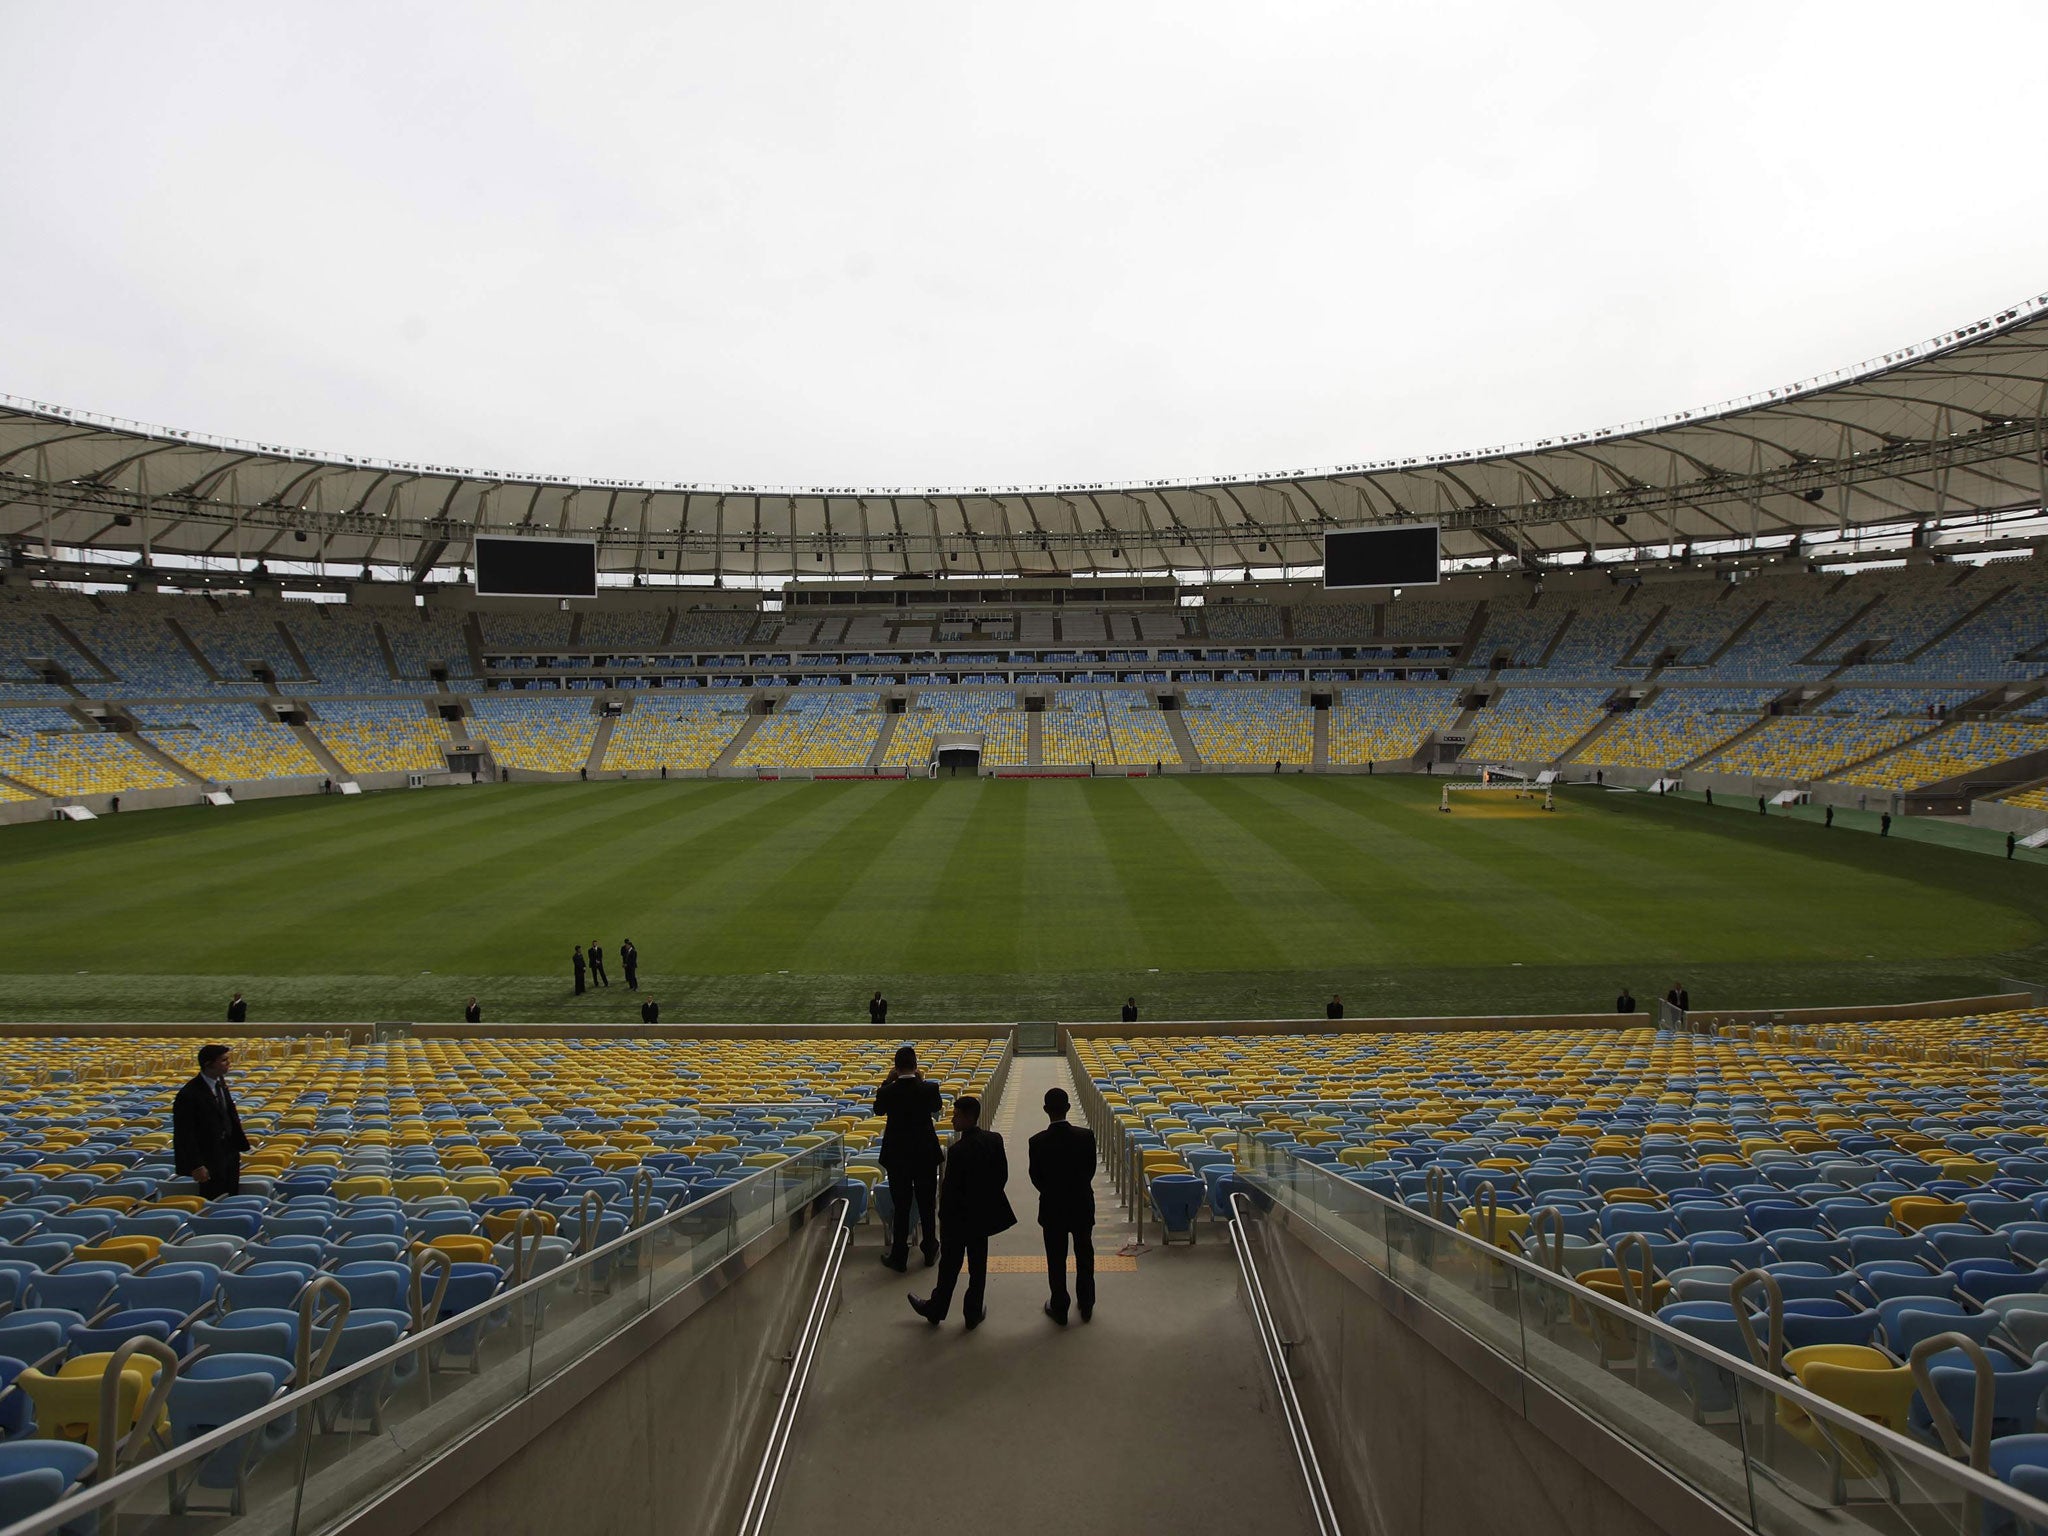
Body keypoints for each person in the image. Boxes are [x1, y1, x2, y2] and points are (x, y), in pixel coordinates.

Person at [909, 1095, 1015, 1330]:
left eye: (956, 1114)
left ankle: (937, 1308)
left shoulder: (957, 1151)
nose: (953, 1118)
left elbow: (950, 1190)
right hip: (982, 1215)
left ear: (969, 1117)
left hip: (958, 1219)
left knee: (949, 1266)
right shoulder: (994, 1140)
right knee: (978, 1266)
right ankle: (973, 1312)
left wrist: (943, 1217)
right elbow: (1002, 1176)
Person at [1029, 1087, 1097, 1325]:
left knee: (1056, 1258)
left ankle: (1060, 1306)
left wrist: (1051, 1191)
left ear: (1046, 1110)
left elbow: (1035, 1177)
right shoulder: (1086, 1136)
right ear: (1068, 1108)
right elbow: (1090, 1171)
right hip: (1081, 1203)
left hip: (1052, 1206)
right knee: (1084, 1253)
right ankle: (1086, 1302)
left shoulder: (1037, 1142)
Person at [875, 1046, 942, 1272]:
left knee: (901, 1206)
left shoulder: (888, 1092)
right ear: (915, 1065)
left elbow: (878, 1110)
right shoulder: (929, 1089)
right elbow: (936, 1107)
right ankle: (930, 1249)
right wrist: (920, 1080)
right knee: (927, 1204)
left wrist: (887, 1081)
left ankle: (899, 1255)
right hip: (924, 1155)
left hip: (898, 1157)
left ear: (895, 1067)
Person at [173, 1044, 251, 1199]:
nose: (228, 1063)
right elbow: (184, 1133)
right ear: (208, 1064)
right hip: (209, 1157)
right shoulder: (189, 1094)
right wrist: (196, 1165)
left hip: (229, 1151)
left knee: (231, 1195)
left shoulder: (220, 1084)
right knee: (214, 1196)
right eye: (223, 1060)